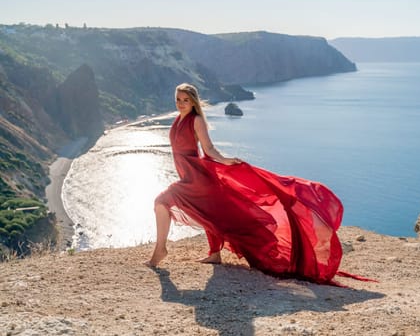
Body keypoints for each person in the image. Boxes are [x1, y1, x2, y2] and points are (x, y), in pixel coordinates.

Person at [145, 83, 374, 286]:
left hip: (198, 178)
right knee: (212, 213)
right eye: (178, 99)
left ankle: (160, 250)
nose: (181, 103)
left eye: (186, 100)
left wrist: (225, 160)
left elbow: (209, 149)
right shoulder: (178, 119)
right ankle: (215, 253)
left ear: (194, 101)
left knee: (161, 202)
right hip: (188, 177)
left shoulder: (196, 120)